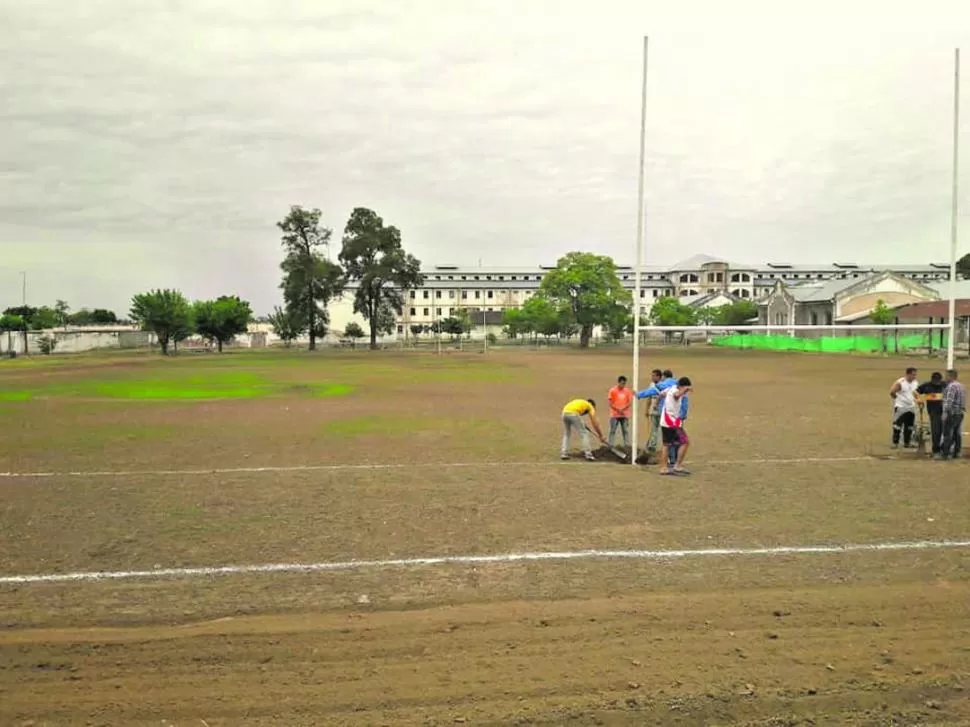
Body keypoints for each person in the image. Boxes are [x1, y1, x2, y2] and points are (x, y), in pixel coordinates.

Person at [636, 369, 676, 458]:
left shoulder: (664, 385)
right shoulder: (652, 385)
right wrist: (647, 409)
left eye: (654, 376)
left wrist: (639, 394)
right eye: (652, 375)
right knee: (654, 429)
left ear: (660, 377)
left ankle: (666, 448)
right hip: (654, 411)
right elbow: (649, 398)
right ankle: (652, 446)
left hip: (663, 412)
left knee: (665, 430)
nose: (652, 377)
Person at [659, 376, 692, 476]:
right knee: (685, 442)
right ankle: (677, 465)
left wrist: (658, 403)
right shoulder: (675, 391)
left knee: (666, 444)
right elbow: (676, 395)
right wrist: (684, 390)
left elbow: (661, 394)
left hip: (665, 421)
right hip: (671, 422)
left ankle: (663, 467)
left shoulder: (670, 388)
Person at [889, 367, 919, 449]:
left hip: (911, 407)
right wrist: (898, 399)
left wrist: (917, 399)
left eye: (915, 375)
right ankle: (895, 443)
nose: (914, 376)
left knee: (909, 426)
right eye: (913, 375)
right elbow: (892, 392)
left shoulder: (915, 383)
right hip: (901, 407)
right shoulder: (900, 382)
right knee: (897, 425)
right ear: (908, 374)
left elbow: (915, 393)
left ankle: (907, 442)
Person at [917, 372, 946, 456]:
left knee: (946, 431)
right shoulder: (926, 385)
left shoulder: (945, 385)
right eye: (935, 381)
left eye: (938, 381)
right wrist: (918, 399)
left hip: (945, 411)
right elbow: (916, 392)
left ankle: (945, 448)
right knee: (936, 431)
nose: (937, 383)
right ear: (932, 380)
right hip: (933, 412)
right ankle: (936, 449)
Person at [939, 369, 965, 460]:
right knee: (957, 434)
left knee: (947, 434)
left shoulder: (951, 386)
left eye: (946, 376)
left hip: (951, 414)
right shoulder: (960, 386)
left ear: (951, 376)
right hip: (959, 413)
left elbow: (949, 401)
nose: (945, 378)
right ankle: (957, 452)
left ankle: (945, 454)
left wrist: (945, 413)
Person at [607, 375, 633, 449]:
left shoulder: (627, 391)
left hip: (624, 415)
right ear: (618, 382)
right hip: (614, 414)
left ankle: (627, 446)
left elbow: (629, 402)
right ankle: (610, 445)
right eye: (622, 383)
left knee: (625, 430)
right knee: (612, 430)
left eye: (624, 383)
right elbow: (610, 403)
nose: (623, 385)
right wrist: (618, 409)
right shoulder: (612, 390)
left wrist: (623, 409)